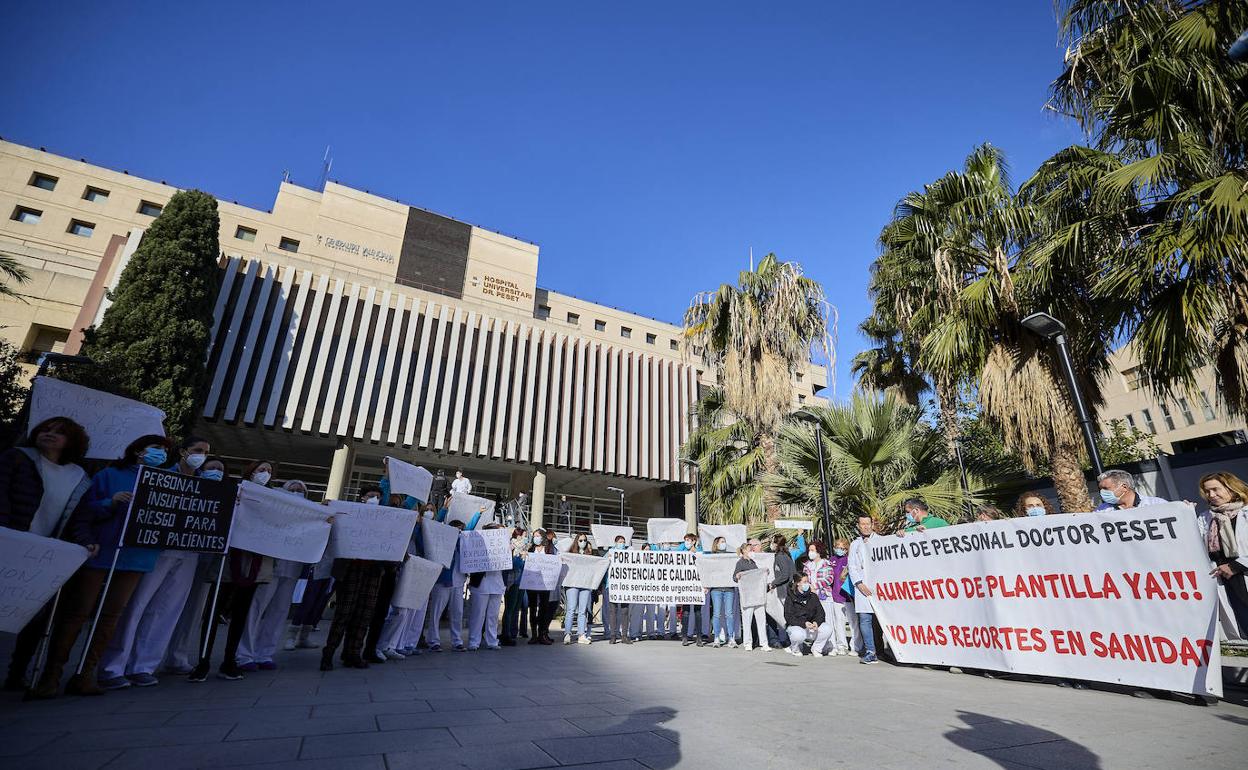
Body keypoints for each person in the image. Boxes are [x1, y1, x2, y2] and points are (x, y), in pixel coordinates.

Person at [28, 434, 174, 698]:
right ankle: (51, 675)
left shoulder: (168, 483)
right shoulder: (110, 475)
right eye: (156, 448)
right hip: (102, 550)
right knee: (78, 612)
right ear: (139, 450)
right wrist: (111, 502)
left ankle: (86, 674)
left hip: (137, 554)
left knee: (110, 617)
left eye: (165, 451)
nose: (161, 454)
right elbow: (83, 510)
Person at [99, 435, 212, 690]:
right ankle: (114, 666)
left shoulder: (208, 485)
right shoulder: (158, 475)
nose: (201, 456)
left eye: (205, 453)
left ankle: (144, 665)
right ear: (183, 452)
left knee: (168, 608)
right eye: (197, 450)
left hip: (188, 552)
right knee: (137, 605)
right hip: (155, 548)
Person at [1, 416, 91, 692]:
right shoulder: (16, 458)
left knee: (35, 616)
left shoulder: (79, 476)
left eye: (59, 433)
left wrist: (85, 540)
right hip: (11, 543)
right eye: (46, 430)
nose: (50, 435)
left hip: (44, 556)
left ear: (72, 442)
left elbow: (78, 516)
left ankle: (17, 672)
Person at [191, 460, 276, 682]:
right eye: (261, 470)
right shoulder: (234, 490)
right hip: (228, 560)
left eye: (269, 471)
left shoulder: (275, 499)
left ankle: (230, 660)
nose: (265, 474)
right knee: (213, 611)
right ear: (250, 472)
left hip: (256, 562)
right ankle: (203, 660)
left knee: (241, 614)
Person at [238, 479, 310, 671]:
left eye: (300, 490)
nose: (296, 492)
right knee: (257, 607)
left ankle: (265, 653)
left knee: (279, 612)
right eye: (292, 489)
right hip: (270, 566)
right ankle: (244, 653)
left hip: (292, 568)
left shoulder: (307, 515)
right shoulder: (275, 511)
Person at [321, 486, 390, 669]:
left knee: (364, 614)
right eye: (371, 496)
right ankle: (329, 653)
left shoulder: (385, 519)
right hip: (351, 568)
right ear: (362, 498)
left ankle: (353, 653)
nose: (374, 499)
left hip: (373, 571)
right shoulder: (350, 514)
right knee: (344, 612)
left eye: (378, 496)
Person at [1200, 472, 1248, 635]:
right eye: (1207, 491)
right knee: (1243, 625)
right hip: (1227, 580)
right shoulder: (1206, 518)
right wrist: (1184, 513)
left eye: (1215, 489)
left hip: (1242, 571)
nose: (1211, 495)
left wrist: (1235, 566)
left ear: (1232, 489)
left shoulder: (1245, 512)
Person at [804, 539, 850, 656]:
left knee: (828, 622)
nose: (810, 552)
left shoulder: (826, 564)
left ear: (818, 551)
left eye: (812, 550)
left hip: (825, 596)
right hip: (811, 597)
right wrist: (809, 587)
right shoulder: (807, 566)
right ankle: (820, 645)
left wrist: (816, 586)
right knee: (817, 622)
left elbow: (829, 579)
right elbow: (804, 579)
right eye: (809, 550)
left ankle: (832, 646)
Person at [466, 523, 506, 650]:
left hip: (497, 583)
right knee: (478, 614)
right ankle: (474, 641)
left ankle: (492, 640)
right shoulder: (478, 544)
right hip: (481, 583)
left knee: (493, 615)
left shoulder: (504, 545)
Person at [848, 514, 878, 664]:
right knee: (865, 620)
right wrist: (859, 584)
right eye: (862, 524)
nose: (866, 526)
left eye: (868, 524)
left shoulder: (881, 541)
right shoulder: (855, 544)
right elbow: (852, 566)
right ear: (858, 526)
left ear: (872, 524)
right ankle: (870, 651)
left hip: (880, 589)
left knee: (881, 621)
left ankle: (890, 650)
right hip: (862, 589)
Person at [784, 574, 833, 657]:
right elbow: (788, 617)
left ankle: (816, 649)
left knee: (827, 629)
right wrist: (804, 623)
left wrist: (816, 622)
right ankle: (795, 649)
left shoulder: (813, 596)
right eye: (805, 582)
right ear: (798, 583)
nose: (807, 584)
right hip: (797, 626)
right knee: (797, 634)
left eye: (808, 581)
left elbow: (821, 613)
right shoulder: (790, 597)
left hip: (811, 626)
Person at [733, 543, 769, 652]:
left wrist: (765, 572)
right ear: (744, 551)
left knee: (762, 619)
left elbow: (758, 575)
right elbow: (734, 577)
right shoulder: (740, 563)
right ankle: (748, 643)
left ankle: (764, 643)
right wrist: (738, 576)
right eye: (749, 550)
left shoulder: (753, 562)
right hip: (747, 596)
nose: (752, 551)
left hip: (757, 596)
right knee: (747, 619)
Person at [562, 533, 595, 644]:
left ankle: (581, 634)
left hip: (585, 584)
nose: (583, 542)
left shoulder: (589, 554)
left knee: (582, 611)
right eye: (580, 540)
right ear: (576, 541)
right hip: (572, 584)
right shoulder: (570, 553)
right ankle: (567, 633)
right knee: (571, 609)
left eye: (584, 540)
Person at [526, 528, 556, 645]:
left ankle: (542, 634)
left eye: (538, 536)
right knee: (532, 609)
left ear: (542, 537)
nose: (536, 538)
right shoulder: (531, 549)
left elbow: (554, 562)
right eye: (534, 536)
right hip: (532, 583)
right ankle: (533, 635)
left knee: (543, 608)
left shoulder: (549, 549)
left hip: (545, 583)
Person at [707, 536, 737, 648]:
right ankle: (716, 637)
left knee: (729, 614)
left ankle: (731, 638)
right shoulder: (712, 556)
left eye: (725, 541)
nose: (724, 543)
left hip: (729, 588)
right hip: (716, 589)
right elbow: (709, 571)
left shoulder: (730, 555)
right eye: (722, 542)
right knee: (716, 614)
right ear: (717, 544)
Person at [500, 526, 528, 646]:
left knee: (516, 608)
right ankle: (505, 633)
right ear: (518, 536)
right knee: (510, 609)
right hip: (512, 582)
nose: (526, 538)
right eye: (524, 536)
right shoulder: (511, 547)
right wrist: (521, 559)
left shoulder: (524, 548)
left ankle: (512, 632)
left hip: (521, 582)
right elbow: (511, 564)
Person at [678, 533, 706, 646]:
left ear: (694, 541)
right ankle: (684, 636)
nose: (687, 542)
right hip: (686, 585)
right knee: (685, 611)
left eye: (689, 540)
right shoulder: (682, 551)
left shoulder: (700, 551)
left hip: (697, 585)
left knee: (698, 612)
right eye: (685, 540)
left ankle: (699, 637)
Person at [1096, 469, 1168, 511]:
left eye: (1106, 488)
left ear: (1124, 487)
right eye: (1101, 489)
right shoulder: (1101, 511)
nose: (1102, 492)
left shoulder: (1157, 504)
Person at [606, 534, 633, 644]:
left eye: (623, 542)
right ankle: (613, 635)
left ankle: (624, 636)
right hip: (612, 586)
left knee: (625, 611)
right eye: (620, 542)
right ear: (616, 543)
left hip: (625, 586)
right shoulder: (610, 553)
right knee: (613, 611)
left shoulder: (628, 553)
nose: (622, 544)